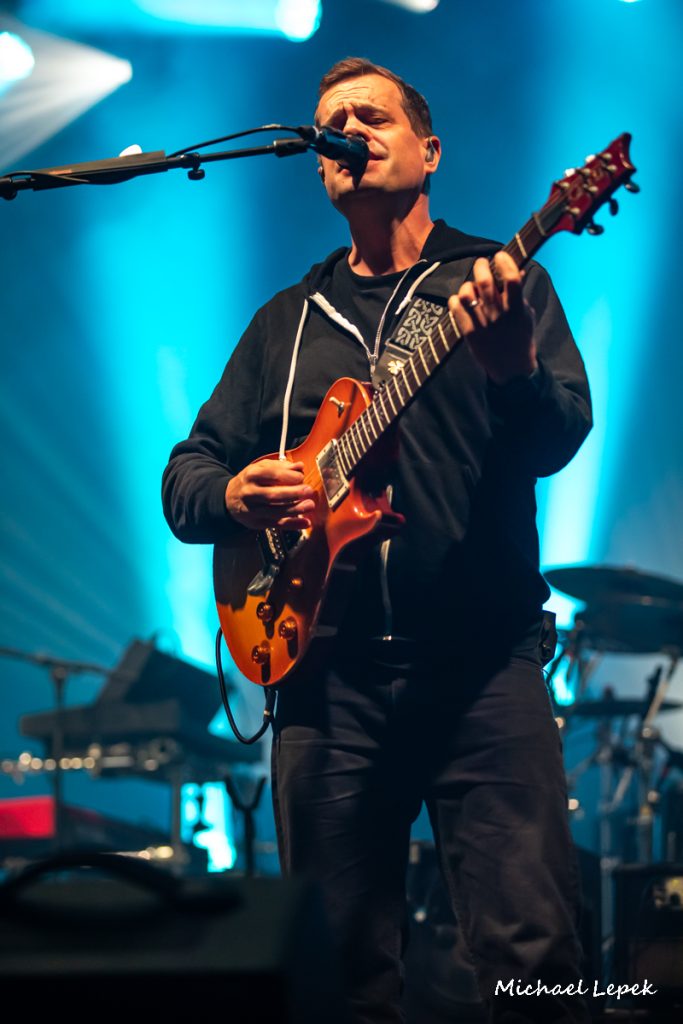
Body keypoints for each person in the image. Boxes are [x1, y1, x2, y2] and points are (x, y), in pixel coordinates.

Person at [162, 58, 592, 1024]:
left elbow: (556, 440)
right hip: (324, 682)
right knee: (336, 978)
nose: (348, 132)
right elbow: (187, 476)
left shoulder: (499, 281)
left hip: (482, 671)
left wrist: (512, 370)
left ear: (428, 152)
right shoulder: (286, 322)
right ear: (319, 164)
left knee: (535, 960)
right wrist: (233, 493)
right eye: (333, 124)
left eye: (372, 117)